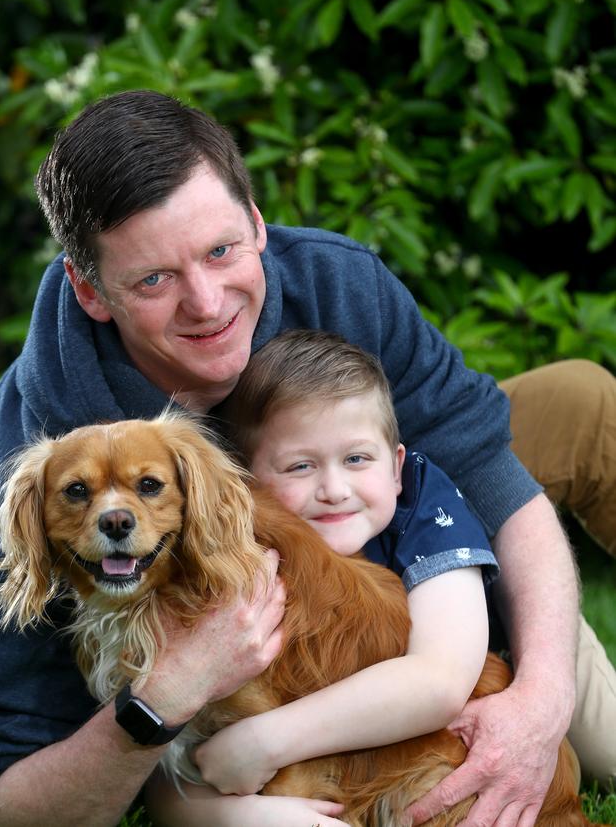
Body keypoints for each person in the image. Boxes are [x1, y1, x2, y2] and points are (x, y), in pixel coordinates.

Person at [0, 88, 611, 827]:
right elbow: (11, 800)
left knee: (585, 403)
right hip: (236, 706)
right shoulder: (42, 452)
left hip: (435, 611)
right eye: (154, 279)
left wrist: (540, 697)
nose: (207, 303)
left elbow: (497, 484)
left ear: (258, 223)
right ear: (91, 290)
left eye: (221, 250)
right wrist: (163, 699)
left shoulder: (340, 283)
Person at [147, 328, 500, 826]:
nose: (334, 489)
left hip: (478, 682)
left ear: (396, 468)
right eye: (300, 466)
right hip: (331, 746)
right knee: (173, 785)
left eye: (356, 459)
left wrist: (262, 743)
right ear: (245, 482)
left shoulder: (423, 506)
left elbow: (439, 683)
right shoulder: (242, 545)